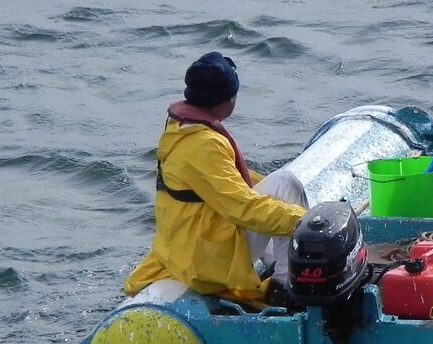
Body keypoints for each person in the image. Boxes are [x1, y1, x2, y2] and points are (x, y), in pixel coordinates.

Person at [123, 51, 309, 302]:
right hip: (205, 257)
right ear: (227, 99)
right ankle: (284, 287)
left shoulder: (180, 126)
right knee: (286, 186)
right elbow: (244, 208)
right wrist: (307, 222)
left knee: (277, 193)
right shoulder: (204, 145)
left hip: (181, 244)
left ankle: (277, 263)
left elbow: (222, 181)